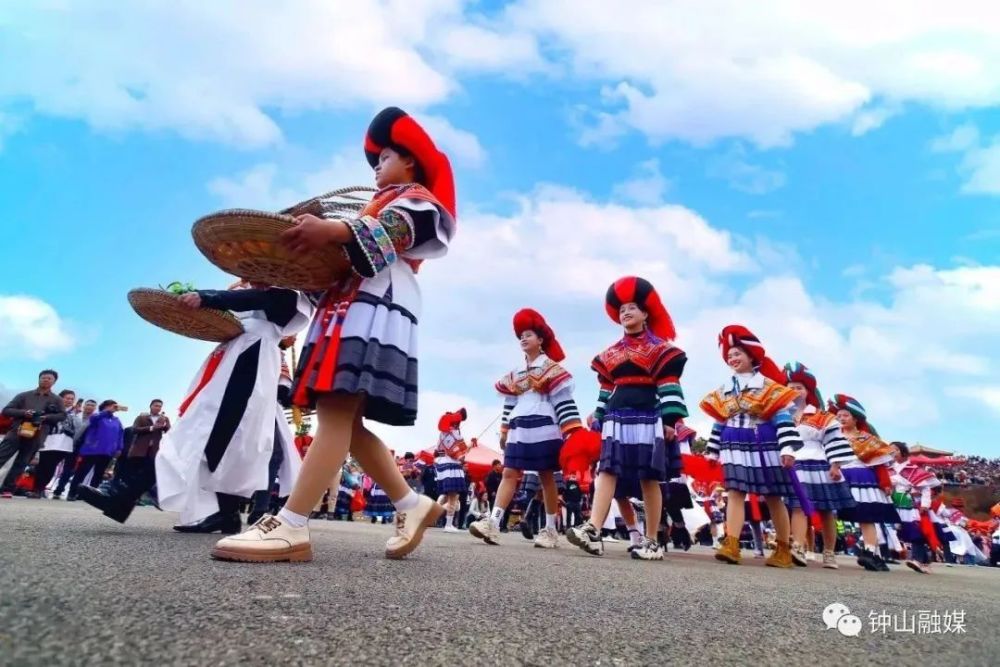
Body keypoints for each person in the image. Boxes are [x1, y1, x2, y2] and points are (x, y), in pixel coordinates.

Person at [213, 107, 457, 563]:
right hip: (352, 303)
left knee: (336, 411)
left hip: (373, 303)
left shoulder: (417, 199)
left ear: (411, 163)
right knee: (344, 417)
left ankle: (291, 524)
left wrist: (333, 230)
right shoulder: (380, 201)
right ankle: (411, 502)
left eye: (385, 156)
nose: (377, 165)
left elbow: (393, 234)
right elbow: (342, 258)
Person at [566, 277, 688, 561]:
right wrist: (597, 415)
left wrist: (670, 420)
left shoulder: (662, 349)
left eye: (633, 307)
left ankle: (652, 540)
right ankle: (593, 529)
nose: (626, 312)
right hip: (617, 415)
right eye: (622, 309)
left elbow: (670, 385)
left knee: (649, 477)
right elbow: (606, 387)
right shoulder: (610, 352)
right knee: (607, 470)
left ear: (646, 314)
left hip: (649, 413)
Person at [470, 309, 583, 549]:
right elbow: (510, 401)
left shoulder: (552, 369)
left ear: (540, 340)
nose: (523, 338)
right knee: (509, 472)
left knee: (547, 477)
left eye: (528, 334)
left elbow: (562, 401)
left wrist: (571, 431)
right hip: (519, 427)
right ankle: (493, 522)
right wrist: (503, 430)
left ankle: (551, 529)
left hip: (545, 426)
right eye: (521, 335)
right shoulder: (516, 373)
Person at [700, 325, 802, 568]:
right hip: (733, 442)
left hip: (763, 441)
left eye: (738, 354)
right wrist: (712, 449)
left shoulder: (770, 387)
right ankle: (732, 543)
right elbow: (720, 421)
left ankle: (783, 549)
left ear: (751, 356)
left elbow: (783, 419)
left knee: (773, 495)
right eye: (730, 355)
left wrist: (788, 448)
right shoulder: (725, 390)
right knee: (735, 491)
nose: (733, 358)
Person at [779, 362, 856, 569]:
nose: (794, 391)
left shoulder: (823, 416)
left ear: (808, 391)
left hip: (819, 463)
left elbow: (834, 441)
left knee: (826, 510)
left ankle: (829, 553)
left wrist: (836, 465)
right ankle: (798, 546)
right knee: (797, 507)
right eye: (790, 387)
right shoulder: (781, 415)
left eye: (799, 387)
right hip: (794, 464)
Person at [827, 394, 899, 571]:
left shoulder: (867, 438)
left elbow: (880, 463)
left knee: (867, 517)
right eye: (839, 415)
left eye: (845, 415)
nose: (841, 418)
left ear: (855, 418)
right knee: (831, 514)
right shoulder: (832, 436)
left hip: (862, 477)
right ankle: (827, 550)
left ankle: (870, 552)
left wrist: (885, 482)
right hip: (839, 476)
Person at [0, 370, 67, 498]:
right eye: (43, 377)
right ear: (39, 379)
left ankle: (7, 489)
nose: (45, 380)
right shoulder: (24, 395)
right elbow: (6, 410)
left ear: (54, 382)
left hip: (37, 435)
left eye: (49, 378)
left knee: (22, 463)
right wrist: (25, 413)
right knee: (1, 456)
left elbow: (62, 416)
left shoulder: (56, 399)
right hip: (16, 432)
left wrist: (45, 417)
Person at [69, 400, 125, 499]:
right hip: (92, 450)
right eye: (111, 406)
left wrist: (119, 448)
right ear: (104, 407)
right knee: (82, 472)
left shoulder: (117, 420)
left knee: (98, 475)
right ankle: (72, 493)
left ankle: (89, 496)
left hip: (107, 452)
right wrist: (106, 412)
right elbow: (93, 420)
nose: (113, 408)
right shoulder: (97, 416)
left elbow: (120, 434)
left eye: (114, 406)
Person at [32, 390, 82, 498]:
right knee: (42, 465)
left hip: (64, 445)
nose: (69, 401)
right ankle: (37, 489)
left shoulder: (74, 414)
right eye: (67, 398)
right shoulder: (51, 409)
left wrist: (75, 415)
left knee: (51, 467)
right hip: (49, 441)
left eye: (71, 399)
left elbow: (78, 429)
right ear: (60, 398)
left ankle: (40, 488)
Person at [53, 399, 96, 499]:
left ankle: (72, 493)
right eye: (88, 405)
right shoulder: (75, 416)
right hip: (73, 446)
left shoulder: (95, 420)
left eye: (92, 406)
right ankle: (59, 490)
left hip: (87, 449)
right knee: (67, 469)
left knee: (81, 472)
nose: (90, 407)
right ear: (84, 406)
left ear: (95, 408)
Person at [434, 409, 469, 533]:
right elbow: (460, 453)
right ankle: (448, 525)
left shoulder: (442, 435)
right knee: (453, 497)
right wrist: (463, 455)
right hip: (453, 467)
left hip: (442, 466)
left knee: (446, 495)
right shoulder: (456, 434)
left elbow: (438, 451)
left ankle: (432, 513)